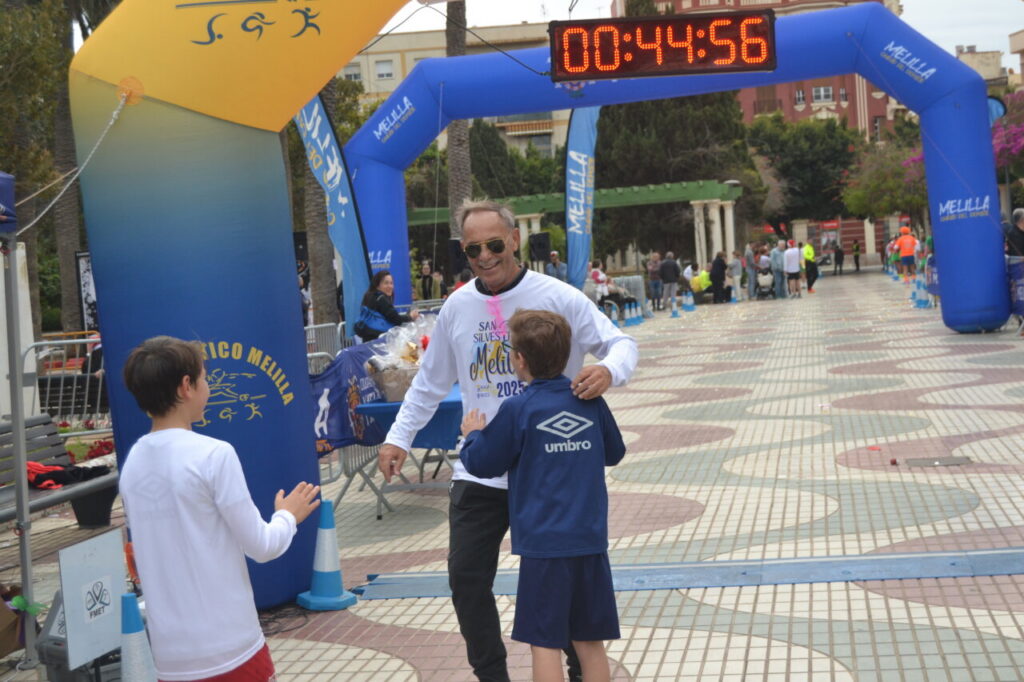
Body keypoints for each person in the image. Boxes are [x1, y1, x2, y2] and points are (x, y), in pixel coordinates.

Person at [376, 199, 638, 682]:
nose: (485, 256)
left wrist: (607, 370)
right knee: (466, 580)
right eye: (472, 248)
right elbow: (429, 385)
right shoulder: (457, 306)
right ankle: (492, 674)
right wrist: (397, 438)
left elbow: (622, 343)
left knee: (570, 587)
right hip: (482, 470)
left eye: (495, 244)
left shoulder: (557, 295)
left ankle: (580, 671)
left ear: (514, 240)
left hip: (547, 478)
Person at [119, 336, 322, 681]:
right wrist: (289, 515)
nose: (208, 386)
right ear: (186, 386)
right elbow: (262, 546)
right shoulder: (214, 454)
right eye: (204, 378)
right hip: (231, 648)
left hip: (169, 658)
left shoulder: (133, 462)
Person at [459, 309, 624, 682]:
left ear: (519, 359)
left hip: (544, 547)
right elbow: (614, 452)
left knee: (545, 641)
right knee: (589, 640)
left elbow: (482, 463)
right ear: (565, 354)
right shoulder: (589, 400)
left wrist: (472, 434)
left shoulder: (519, 408)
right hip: (590, 539)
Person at [355, 269, 420, 341]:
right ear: (377, 285)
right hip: (379, 342)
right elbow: (396, 319)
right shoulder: (381, 299)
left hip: (368, 341)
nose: (390, 286)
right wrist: (410, 316)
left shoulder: (369, 296)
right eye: (386, 283)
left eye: (391, 283)